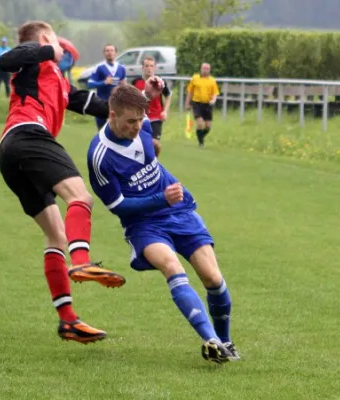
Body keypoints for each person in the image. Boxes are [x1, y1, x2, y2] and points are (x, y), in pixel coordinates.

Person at [0, 21, 164, 344]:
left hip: (12, 154)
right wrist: (48, 49)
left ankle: (68, 321)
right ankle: (82, 263)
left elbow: (107, 110)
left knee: (56, 236)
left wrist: (144, 97)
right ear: (46, 39)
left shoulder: (57, 80)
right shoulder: (32, 60)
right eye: (53, 40)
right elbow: (5, 60)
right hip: (28, 135)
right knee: (81, 199)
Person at [86, 84, 239, 364]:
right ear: (112, 115)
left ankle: (226, 341)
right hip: (144, 224)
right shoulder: (99, 156)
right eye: (131, 121)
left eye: (141, 120)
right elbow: (117, 206)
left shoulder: (141, 124)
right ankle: (211, 340)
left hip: (178, 210)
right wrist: (160, 199)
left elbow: (146, 113)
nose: (138, 126)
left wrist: (153, 93)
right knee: (172, 267)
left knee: (213, 280)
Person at [132, 56, 172, 156]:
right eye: (146, 66)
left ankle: (153, 165)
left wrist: (165, 111)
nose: (149, 68)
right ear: (142, 67)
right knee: (139, 144)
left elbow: (168, 95)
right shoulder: (136, 82)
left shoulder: (159, 82)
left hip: (155, 117)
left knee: (155, 144)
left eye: (151, 66)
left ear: (154, 67)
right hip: (139, 117)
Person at [87, 44, 126, 129]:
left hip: (116, 105)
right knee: (101, 131)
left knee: (117, 131)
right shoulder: (99, 68)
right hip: (101, 104)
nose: (109, 53)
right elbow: (89, 84)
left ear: (116, 52)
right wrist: (104, 83)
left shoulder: (121, 68)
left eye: (112, 50)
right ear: (104, 53)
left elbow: (124, 85)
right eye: (107, 51)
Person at [185, 63, 219, 148]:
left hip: (207, 104)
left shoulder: (212, 80)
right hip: (197, 103)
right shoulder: (195, 78)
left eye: (207, 69)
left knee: (208, 126)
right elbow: (190, 92)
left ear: (209, 70)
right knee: (200, 123)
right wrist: (187, 103)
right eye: (204, 68)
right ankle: (201, 143)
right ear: (201, 69)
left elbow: (215, 93)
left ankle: (201, 136)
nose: (205, 70)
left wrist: (213, 100)